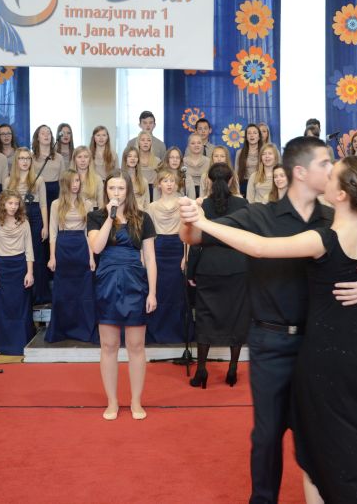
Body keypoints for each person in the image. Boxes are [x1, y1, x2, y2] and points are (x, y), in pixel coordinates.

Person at [183, 155, 357, 503]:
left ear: (341, 195)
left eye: (332, 176)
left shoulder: (324, 238)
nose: (325, 177)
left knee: (319, 448)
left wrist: (204, 221)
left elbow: (259, 248)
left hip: (326, 355)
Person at [88, 170, 157, 421]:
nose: (115, 193)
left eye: (120, 188)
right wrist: (110, 217)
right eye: (111, 188)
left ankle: (136, 400)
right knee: (109, 346)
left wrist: (153, 292)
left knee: (136, 346)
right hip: (107, 283)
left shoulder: (143, 218)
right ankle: (112, 401)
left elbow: (150, 258)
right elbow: (97, 247)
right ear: (105, 190)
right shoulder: (96, 216)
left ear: (128, 191)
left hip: (135, 283)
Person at [186, 163, 249, 388]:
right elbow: (248, 238)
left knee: (204, 318)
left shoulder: (202, 205)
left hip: (208, 267)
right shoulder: (242, 204)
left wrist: (191, 271)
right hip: (238, 267)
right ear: (231, 180)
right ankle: (232, 369)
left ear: (209, 181)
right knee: (237, 318)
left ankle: (201, 371)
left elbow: (195, 242)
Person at [45, 171, 96, 343]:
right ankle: (62, 329)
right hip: (63, 247)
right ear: (65, 183)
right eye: (72, 181)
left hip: (81, 247)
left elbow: (89, 233)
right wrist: (52, 257)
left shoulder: (87, 204)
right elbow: (53, 232)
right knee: (63, 291)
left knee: (83, 291)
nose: (75, 184)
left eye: (77, 181)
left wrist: (91, 257)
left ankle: (83, 329)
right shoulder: (56, 204)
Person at [0, 190, 35, 355]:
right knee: (4, 307)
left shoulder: (24, 223)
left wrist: (30, 273)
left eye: (16, 203)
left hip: (20, 267)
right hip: (1, 268)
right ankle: (3, 345)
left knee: (21, 307)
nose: (13, 207)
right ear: (3, 204)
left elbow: (29, 249)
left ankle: (22, 343)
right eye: (10, 203)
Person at [146, 169, 187, 344]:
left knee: (176, 293)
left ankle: (177, 332)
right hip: (158, 249)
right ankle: (157, 332)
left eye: (172, 181)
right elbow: (147, 236)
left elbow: (188, 231)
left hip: (178, 248)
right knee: (159, 290)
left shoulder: (183, 204)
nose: (169, 184)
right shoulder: (152, 207)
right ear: (158, 184)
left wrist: (186, 255)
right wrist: (144, 256)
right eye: (165, 181)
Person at [4, 147, 50, 304]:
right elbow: (4, 204)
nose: (25, 161)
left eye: (27, 158)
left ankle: (39, 294)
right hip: (15, 216)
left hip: (35, 216)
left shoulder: (39, 179)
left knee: (36, 254)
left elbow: (43, 204)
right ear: (16, 161)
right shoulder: (8, 181)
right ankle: (20, 293)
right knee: (19, 254)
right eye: (21, 158)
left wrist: (45, 226)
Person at [32, 124, 66, 214]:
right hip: (37, 191)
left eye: (48, 133)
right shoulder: (31, 157)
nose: (46, 135)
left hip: (55, 191)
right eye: (43, 133)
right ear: (37, 138)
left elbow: (63, 180)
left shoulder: (59, 157)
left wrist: (62, 197)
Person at [70, 146, 105, 210]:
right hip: (73, 212)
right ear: (74, 159)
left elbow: (101, 204)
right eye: (79, 157)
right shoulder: (67, 178)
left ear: (90, 160)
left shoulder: (97, 179)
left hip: (92, 213)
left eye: (86, 157)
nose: (83, 160)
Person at [235, 123, 263, 195]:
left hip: (260, 183)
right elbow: (236, 173)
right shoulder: (239, 152)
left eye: (255, 133)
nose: (252, 135)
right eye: (249, 133)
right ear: (246, 137)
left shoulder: (264, 152)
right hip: (244, 184)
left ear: (259, 137)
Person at [135, 130, 161, 200]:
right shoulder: (134, 160)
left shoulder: (157, 161)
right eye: (143, 140)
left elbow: (160, 179)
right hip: (138, 190)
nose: (145, 142)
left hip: (154, 191)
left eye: (148, 140)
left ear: (151, 143)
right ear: (138, 142)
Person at [184, 133, 211, 199]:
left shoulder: (209, 162)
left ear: (202, 145)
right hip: (187, 197)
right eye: (193, 143)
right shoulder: (182, 162)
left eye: (199, 143)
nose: (196, 145)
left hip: (205, 196)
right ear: (188, 146)